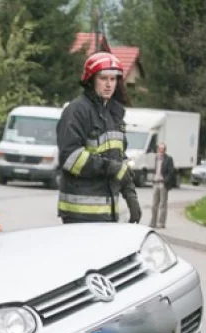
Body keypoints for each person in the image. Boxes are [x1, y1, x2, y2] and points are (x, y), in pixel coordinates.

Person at [56, 52, 142, 225]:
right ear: (91, 80)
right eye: (103, 78)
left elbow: (120, 162)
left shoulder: (114, 115)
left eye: (113, 79)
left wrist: (130, 196)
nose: (109, 84)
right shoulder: (77, 111)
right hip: (79, 214)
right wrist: (110, 167)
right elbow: (70, 157)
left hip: (108, 213)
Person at [149, 142, 176, 228]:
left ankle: (161, 223)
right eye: (160, 149)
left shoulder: (169, 159)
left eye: (162, 149)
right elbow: (156, 170)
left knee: (162, 204)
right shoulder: (156, 158)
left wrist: (165, 181)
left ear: (165, 150)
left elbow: (171, 172)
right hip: (156, 183)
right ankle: (153, 222)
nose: (161, 151)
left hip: (163, 184)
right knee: (154, 204)